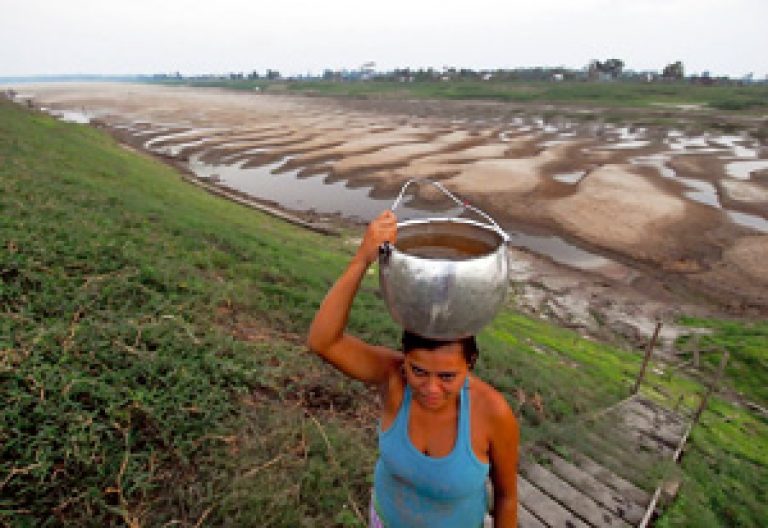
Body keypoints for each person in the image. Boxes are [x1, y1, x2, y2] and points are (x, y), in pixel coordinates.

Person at [307, 210, 519, 528]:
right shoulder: (393, 378)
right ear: (403, 358)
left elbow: (506, 498)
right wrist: (361, 260)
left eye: (448, 376)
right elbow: (323, 342)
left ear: (470, 364)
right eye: (418, 371)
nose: (431, 389)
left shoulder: (493, 414)